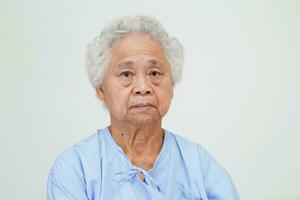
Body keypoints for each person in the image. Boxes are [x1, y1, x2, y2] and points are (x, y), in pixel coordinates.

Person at [47, 15, 239, 200]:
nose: (143, 87)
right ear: (100, 89)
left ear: (172, 84)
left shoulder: (199, 164)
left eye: (154, 73)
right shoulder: (74, 168)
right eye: (126, 74)